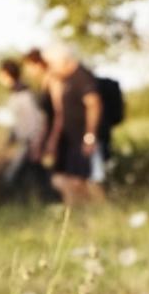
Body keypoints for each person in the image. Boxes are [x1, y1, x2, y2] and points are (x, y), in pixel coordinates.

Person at [41, 44, 105, 205]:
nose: (51, 68)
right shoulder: (66, 80)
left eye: (53, 64)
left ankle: (104, 214)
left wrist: (90, 137)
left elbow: (94, 104)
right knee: (73, 181)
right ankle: (81, 216)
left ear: (64, 60)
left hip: (85, 139)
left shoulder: (82, 76)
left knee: (91, 182)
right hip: (74, 141)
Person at [0, 59, 50, 200]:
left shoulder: (24, 94)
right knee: (38, 175)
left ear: (6, 74)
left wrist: (36, 142)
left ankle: (19, 203)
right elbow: (19, 121)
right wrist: (11, 136)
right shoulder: (16, 93)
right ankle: (45, 202)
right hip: (26, 140)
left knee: (13, 177)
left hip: (30, 141)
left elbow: (36, 120)